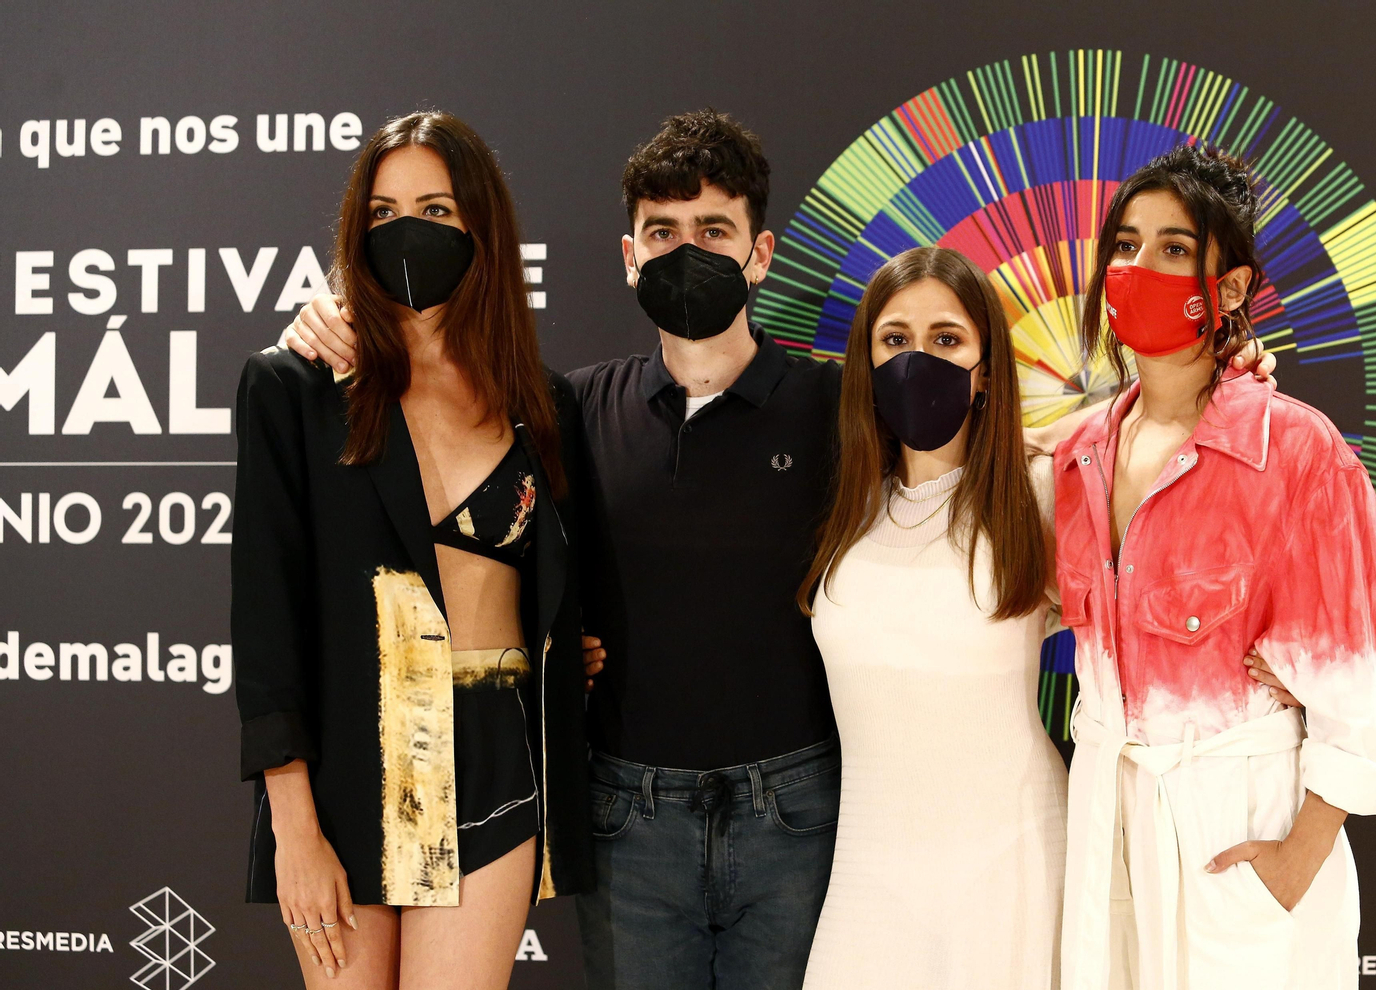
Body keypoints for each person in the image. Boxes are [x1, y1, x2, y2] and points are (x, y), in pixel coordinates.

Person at [276, 111, 1290, 990]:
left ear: (760, 254)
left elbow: (1013, 453)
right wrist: (336, 317)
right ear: (627, 256)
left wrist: (1212, 376)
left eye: (714, 231)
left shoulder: (840, 409)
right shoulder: (567, 408)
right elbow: (444, 429)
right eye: (662, 233)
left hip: (798, 814)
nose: (687, 253)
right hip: (628, 814)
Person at [231, 111, 592, 990]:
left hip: (500, 759)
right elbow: (267, 622)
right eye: (384, 213)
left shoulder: (540, 405)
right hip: (351, 768)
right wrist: (294, 831)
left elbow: (566, 587)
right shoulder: (296, 386)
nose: (407, 232)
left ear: (481, 226)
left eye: (436, 209)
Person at [1050, 145, 1376, 988]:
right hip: (1108, 820)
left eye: (1175, 249)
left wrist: (1295, 860)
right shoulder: (1081, 454)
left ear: (1233, 285)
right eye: (1126, 246)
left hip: (1238, 824)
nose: (1140, 267)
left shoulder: (1295, 450)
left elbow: (1361, 687)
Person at [797, 247, 1068, 988]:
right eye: (895, 340)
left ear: (986, 370)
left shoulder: (1036, 493)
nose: (918, 362)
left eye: (947, 340)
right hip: (868, 871)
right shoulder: (847, 504)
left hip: (1010, 865)